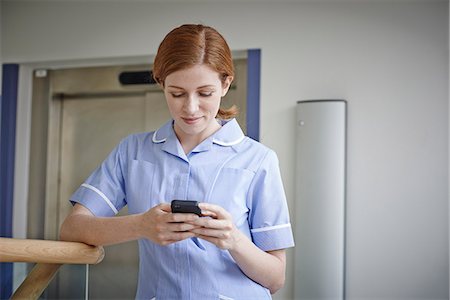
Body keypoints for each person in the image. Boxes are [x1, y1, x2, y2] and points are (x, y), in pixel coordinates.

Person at [60, 24, 294, 299]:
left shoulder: (258, 160)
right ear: (161, 84)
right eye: (177, 93)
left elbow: (276, 279)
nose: (191, 107)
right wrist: (142, 226)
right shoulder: (133, 151)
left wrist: (234, 240)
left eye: (205, 93)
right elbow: (71, 229)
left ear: (225, 84)